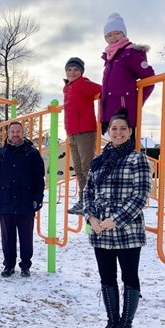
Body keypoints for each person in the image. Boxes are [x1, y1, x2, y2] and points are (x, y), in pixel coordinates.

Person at [83, 111, 152, 328]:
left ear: (130, 132)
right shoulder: (99, 161)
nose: (118, 132)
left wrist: (116, 219)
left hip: (127, 229)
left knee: (129, 276)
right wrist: (91, 218)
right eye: (114, 129)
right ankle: (112, 320)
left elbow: (140, 196)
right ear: (108, 132)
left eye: (123, 128)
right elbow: (88, 191)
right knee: (106, 276)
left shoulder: (137, 159)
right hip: (100, 228)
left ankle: (126, 324)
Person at [0, 122, 45, 278]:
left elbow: (39, 177)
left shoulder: (32, 153)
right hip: (6, 201)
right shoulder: (0, 153)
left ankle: (26, 265)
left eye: (18, 131)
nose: (15, 134)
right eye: (13, 131)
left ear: (22, 133)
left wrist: (38, 197)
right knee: (7, 237)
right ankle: (9, 265)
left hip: (26, 201)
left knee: (26, 237)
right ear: (8, 133)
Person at [101, 12, 155, 137]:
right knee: (115, 150)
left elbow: (149, 79)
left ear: (124, 34)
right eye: (109, 35)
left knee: (126, 148)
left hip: (125, 112)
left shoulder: (129, 52)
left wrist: (137, 101)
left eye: (117, 33)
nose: (113, 37)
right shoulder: (110, 57)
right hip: (111, 113)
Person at [63, 57, 102, 215]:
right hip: (71, 133)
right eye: (69, 69)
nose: (72, 72)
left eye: (76, 70)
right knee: (78, 169)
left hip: (85, 131)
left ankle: (92, 200)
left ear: (81, 72)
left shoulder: (83, 84)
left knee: (87, 168)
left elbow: (102, 89)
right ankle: (83, 200)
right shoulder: (67, 87)